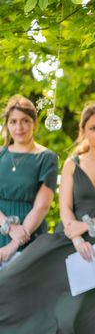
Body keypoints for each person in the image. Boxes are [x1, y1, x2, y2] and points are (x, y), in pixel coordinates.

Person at [0, 103, 95, 334]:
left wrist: (87, 225)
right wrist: (76, 237)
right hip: (72, 245)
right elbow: (65, 209)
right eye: (93, 127)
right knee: (63, 318)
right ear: (83, 130)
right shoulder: (73, 164)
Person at [0, 95, 58, 267]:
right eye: (13, 121)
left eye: (25, 120)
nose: (19, 127)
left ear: (34, 123)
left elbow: (42, 206)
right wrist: (10, 228)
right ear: (7, 125)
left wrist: (15, 243)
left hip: (31, 237)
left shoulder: (47, 158)